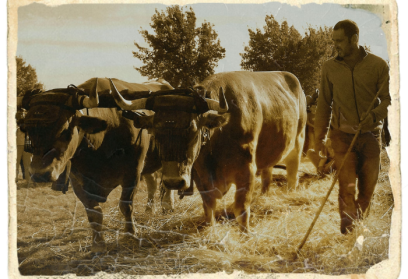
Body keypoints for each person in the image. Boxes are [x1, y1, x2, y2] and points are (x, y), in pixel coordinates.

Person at [314, 20, 391, 234]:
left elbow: (389, 100)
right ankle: (348, 232)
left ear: (354, 39)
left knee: (367, 190)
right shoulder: (329, 68)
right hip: (342, 137)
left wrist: (374, 116)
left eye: (339, 41)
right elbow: (324, 104)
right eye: (334, 41)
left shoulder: (378, 66)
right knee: (346, 189)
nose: (335, 45)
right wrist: (319, 138)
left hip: (370, 137)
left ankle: (359, 225)